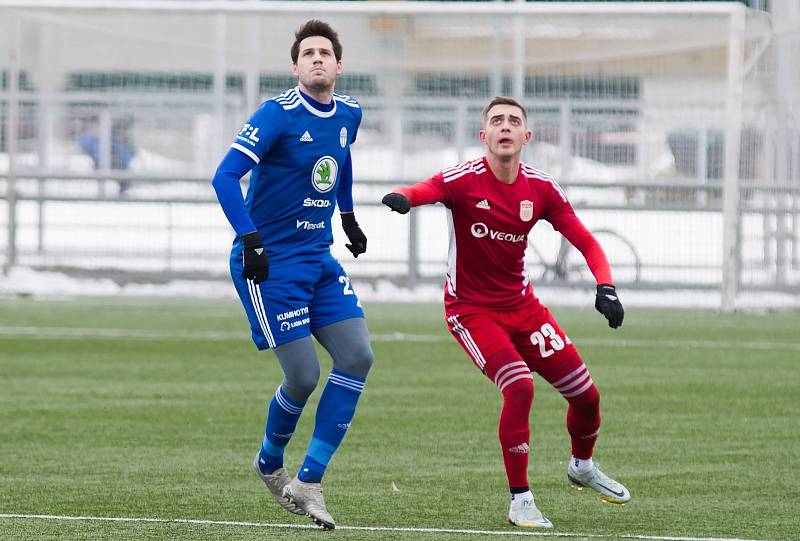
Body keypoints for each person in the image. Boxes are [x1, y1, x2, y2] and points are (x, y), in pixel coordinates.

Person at [381, 96, 629, 529]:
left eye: (514, 121)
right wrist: (403, 198)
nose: (505, 127)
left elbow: (586, 241)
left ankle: (582, 466)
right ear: (484, 136)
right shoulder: (464, 180)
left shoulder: (541, 188)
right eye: (497, 121)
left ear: (526, 137)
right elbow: (423, 188)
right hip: (471, 310)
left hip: (524, 308)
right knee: (519, 387)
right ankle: (521, 501)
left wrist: (605, 285)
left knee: (587, 396)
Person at [211, 20, 373, 530]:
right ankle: (268, 462)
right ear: (296, 66)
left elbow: (339, 162)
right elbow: (224, 176)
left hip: (318, 259)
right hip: (269, 263)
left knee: (358, 355)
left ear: (339, 65)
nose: (318, 59)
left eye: (326, 52)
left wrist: (346, 216)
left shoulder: (349, 112)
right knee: (303, 375)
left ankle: (309, 480)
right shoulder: (276, 114)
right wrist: (250, 239)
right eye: (309, 53)